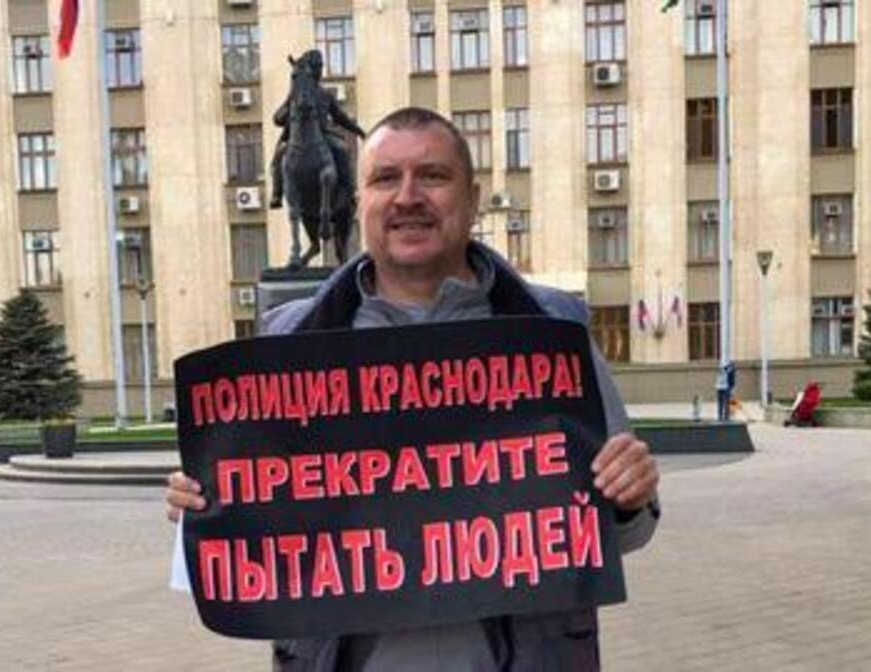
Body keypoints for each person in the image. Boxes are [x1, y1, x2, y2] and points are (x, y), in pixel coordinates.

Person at [167, 107, 660, 672]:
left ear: (472, 200)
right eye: (384, 179)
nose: (407, 197)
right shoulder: (291, 339)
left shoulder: (552, 332)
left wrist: (628, 497)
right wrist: (202, 504)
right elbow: (255, 525)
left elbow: (622, 532)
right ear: (359, 205)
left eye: (432, 175)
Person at [269, 50, 365, 210]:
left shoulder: (324, 93)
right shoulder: (295, 94)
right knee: (279, 156)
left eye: (321, 66)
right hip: (296, 140)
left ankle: (351, 191)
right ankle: (276, 195)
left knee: (342, 149)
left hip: (323, 136)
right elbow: (277, 119)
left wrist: (359, 131)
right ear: (310, 69)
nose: (320, 71)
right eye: (317, 67)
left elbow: (340, 117)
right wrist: (290, 111)